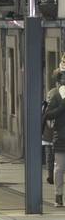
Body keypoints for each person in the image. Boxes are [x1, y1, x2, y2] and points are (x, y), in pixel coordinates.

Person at [44, 70, 65, 207]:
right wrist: (62, 107)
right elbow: (48, 114)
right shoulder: (54, 94)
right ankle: (58, 195)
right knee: (60, 168)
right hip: (61, 137)